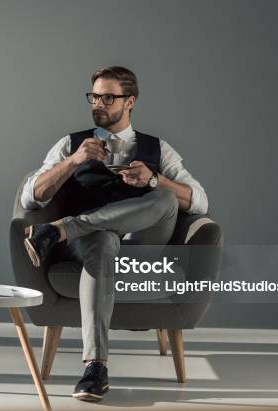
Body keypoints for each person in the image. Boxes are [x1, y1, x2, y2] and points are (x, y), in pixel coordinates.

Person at [20, 66, 208, 402]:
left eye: (108, 97)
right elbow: (30, 196)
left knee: (165, 196)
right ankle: (95, 367)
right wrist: (74, 161)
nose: (98, 104)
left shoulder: (157, 148)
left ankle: (58, 231)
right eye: (94, 96)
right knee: (102, 239)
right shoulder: (70, 144)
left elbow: (200, 202)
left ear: (130, 101)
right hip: (90, 247)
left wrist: (154, 180)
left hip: (142, 245)